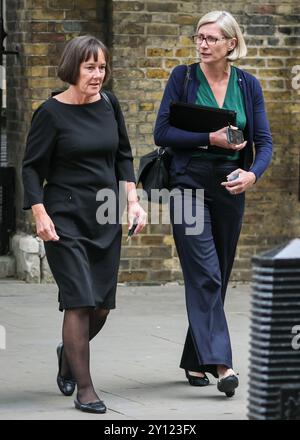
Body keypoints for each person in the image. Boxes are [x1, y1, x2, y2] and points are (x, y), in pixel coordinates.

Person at [22, 35, 146, 413]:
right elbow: (30, 169)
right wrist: (39, 214)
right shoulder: (51, 113)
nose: (98, 75)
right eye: (90, 67)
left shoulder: (110, 104)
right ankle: (86, 388)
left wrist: (133, 201)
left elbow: (123, 154)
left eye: (102, 67)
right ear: (73, 67)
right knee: (79, 302)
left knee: (101, 307)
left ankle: (68, 355)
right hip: (65, 217)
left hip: (104, 216)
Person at [154, 11, 272, 397]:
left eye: (211, 38)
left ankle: (194, 358)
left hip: (229, 187)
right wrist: (210, 138)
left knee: (217, 273)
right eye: (199, 37)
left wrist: (252, 173)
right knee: (205, 273)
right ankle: (222, 365)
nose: (202, 44)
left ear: (231, 44)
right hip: (187, 184)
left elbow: (264, 143)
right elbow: (163, 132)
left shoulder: (248, 85)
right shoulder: (183, 78)